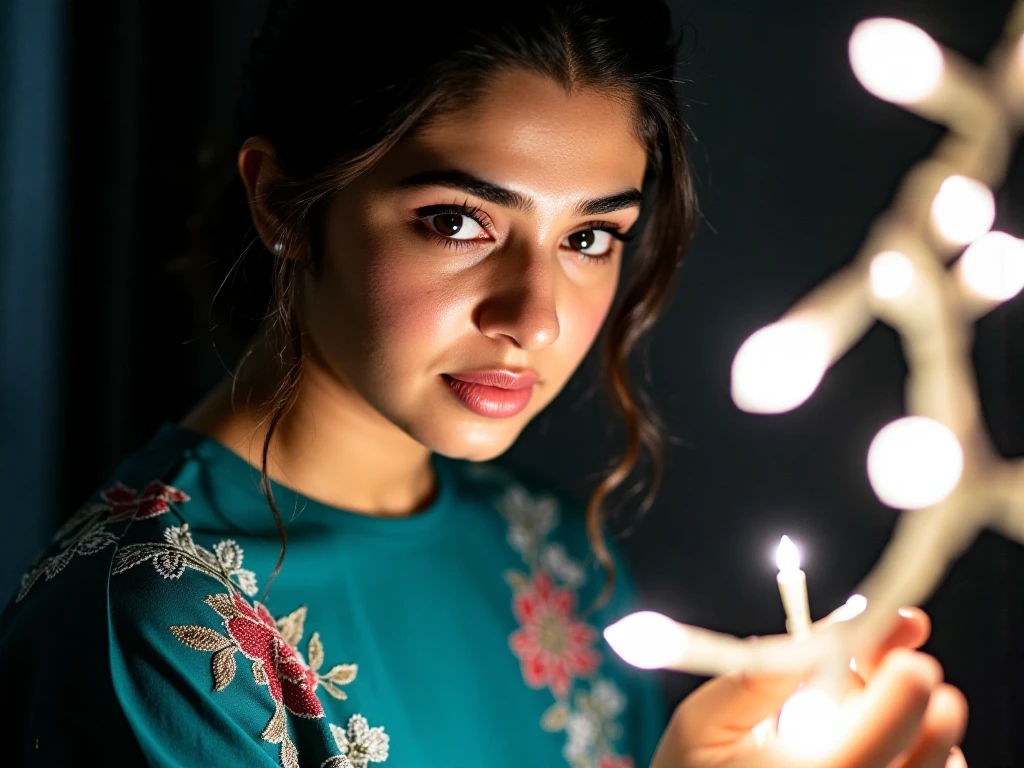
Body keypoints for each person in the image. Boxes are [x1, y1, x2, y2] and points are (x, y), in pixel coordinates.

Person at [0, 1, 968, 766]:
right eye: (458, 220)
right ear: (282, 201)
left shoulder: (550, 553)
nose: (535, 315)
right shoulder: (152, 638)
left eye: (589, 237)